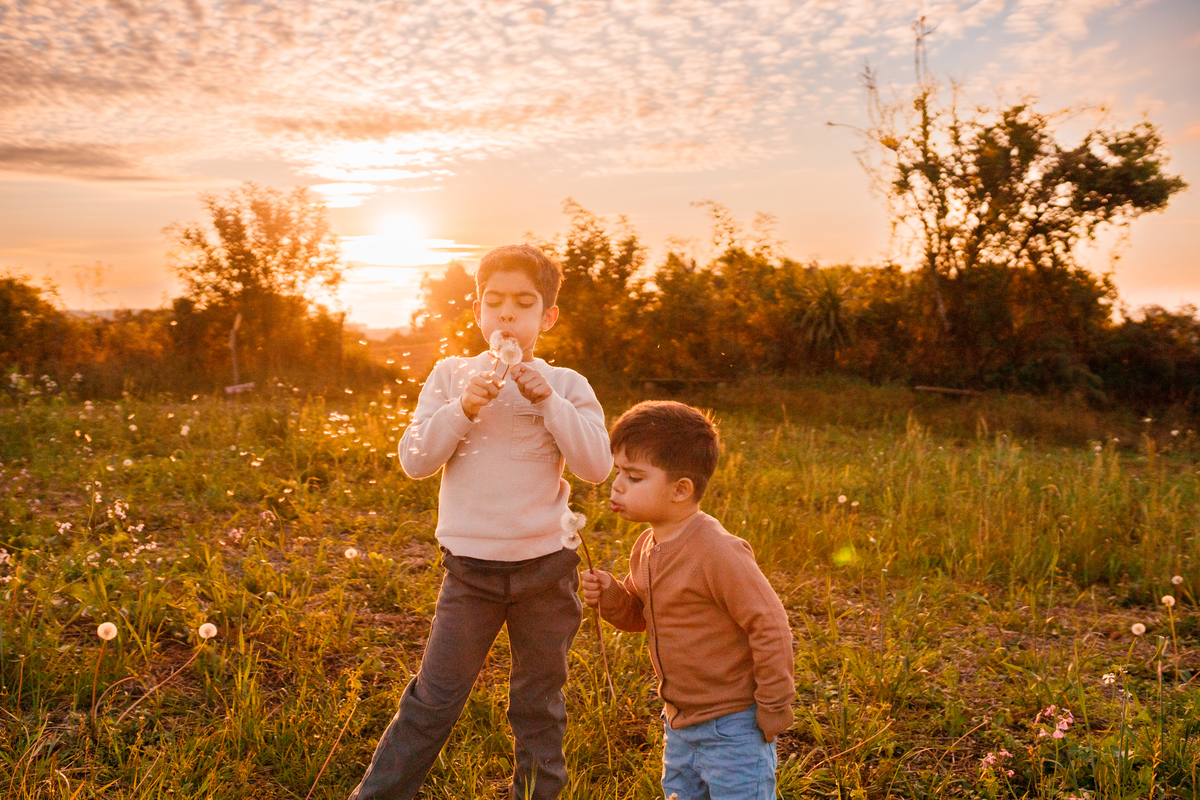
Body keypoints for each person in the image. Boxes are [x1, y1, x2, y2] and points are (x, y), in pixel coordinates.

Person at [350, 244, 614, 800]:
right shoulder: (450, 377)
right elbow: (416, 459)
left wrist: (549, 405)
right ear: (476, 312)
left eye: (523, 303)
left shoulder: (566, 384)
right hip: (469, 575)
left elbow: (595, 466)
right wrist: (463, 410)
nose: (507, 315)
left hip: (547, 572)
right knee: (435, 698)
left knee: (538, 703)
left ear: (548, 317)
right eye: (493, 303)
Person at [581, 400, 795, 800]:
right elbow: (639, 615)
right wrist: (611, 594)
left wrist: (774, 705)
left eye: (634, 476)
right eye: (617, 473)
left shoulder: (717, 551)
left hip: (734, 727)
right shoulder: (647, 545)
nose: (617, 485)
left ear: (681, 489)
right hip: (679, 725)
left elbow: (769, 623)